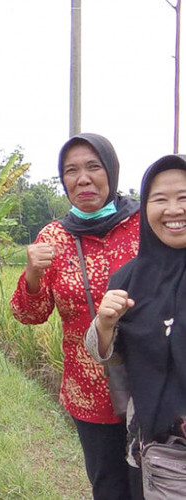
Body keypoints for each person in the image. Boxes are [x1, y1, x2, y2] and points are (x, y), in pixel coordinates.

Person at [10, 133, 140, 499]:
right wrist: (33, 274)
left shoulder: (143, 225)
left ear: (111, 171)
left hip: (148, 385)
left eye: (93, 167)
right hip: (88, 392)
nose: (83, 178)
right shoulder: (54, 236)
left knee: (152, 483)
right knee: (109, 486)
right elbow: (28, 315)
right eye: (71, 171)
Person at [86, 154, 186, 498]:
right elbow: (106, 355)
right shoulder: (129, 278)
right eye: (160, 199)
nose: (173, 209)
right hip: (155, 451)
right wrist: (105, 323)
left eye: (184, 198)